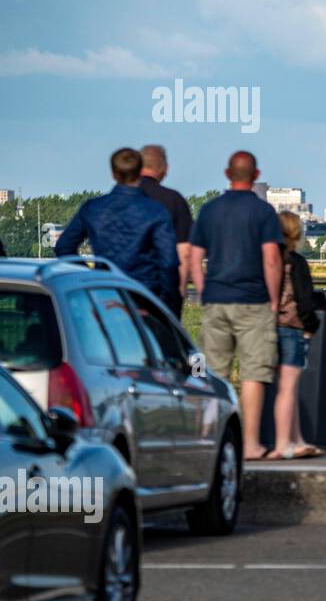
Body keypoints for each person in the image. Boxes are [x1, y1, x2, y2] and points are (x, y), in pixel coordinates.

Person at [190, 151, 284, 461]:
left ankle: (213, 443)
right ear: (255, 174)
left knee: (213, 374)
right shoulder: (263, 212)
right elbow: (271, 259)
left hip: (216, 300)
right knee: (253, 374)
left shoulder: (209, 211)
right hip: (253, 300)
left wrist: (203, 289)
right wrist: (273, 299)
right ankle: (251, 443)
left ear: (227, 173)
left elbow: (194, 257)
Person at [56, 148, 177, 304]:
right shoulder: (156, 211)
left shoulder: (92, 208)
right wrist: (166, 299)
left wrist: (91, 276)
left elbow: (64, 247)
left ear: (113, 173)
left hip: (105, 293)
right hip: (145, 295)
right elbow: (169, 262)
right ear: (140, 171)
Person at [272, 210, 325, 460]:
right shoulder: (296, 262)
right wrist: (311, 325)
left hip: (270, 327)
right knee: (289, 388)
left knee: (284, 389)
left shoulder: (271, 260)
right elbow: (305, 301)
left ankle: (297, 439)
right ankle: (284, 444)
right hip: (292, 328)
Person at [138, 144, 194, 319]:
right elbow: (184, 253)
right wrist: (179, 293)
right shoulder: (174, 200)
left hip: (123, 292)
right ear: (165, 169)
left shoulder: (121, 199)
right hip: (162, 292)